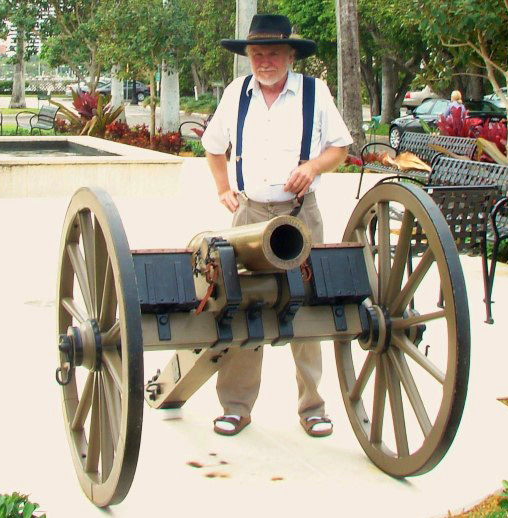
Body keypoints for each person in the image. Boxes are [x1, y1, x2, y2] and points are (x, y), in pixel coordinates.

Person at [201, 14, 352, 438]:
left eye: (272, 53)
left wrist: (313, 166)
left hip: (300, 214)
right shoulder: (237, 94)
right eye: (256, 53)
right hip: (249, 215)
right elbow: (213, 147)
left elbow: (339, 146)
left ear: (289, 55)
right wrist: (223, 188)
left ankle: (313, 407)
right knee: (239, 305)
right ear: (248, 56)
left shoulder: (313, 92)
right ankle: (236, 406)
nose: (264, 61)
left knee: (307, 305)